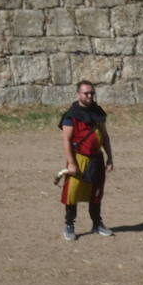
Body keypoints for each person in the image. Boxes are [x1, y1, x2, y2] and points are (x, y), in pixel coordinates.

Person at [57, 80, 115, 241]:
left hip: (97, 159)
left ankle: (97, 223)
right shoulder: (71, 115)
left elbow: (105, 136)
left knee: (96, 192)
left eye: (91, 93)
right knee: (72, 193)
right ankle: (69, 225)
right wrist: (71, 163)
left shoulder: (98, 112)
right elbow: (66, 140)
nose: (89, 96)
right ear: (78, 94)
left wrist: (110, 157)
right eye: (86, 93)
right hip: (79, 159)